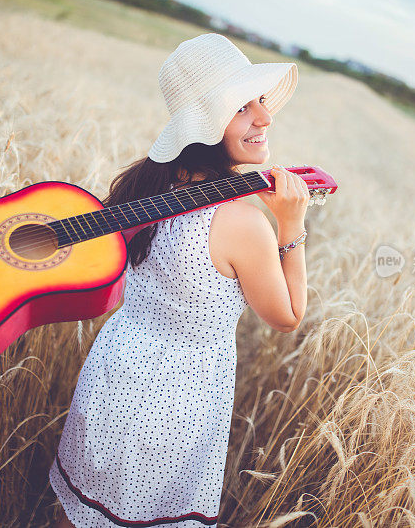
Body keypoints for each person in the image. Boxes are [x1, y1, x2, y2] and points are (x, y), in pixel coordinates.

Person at [49, 33, 308, 527]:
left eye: (260, 101)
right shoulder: (242, 224)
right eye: (241, 108)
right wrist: (292, 226)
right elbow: (288, 317)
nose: (265, 117)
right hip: (173, 406)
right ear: (207, 125)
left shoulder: (147, 184)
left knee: (77, 516)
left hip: (110, 376)